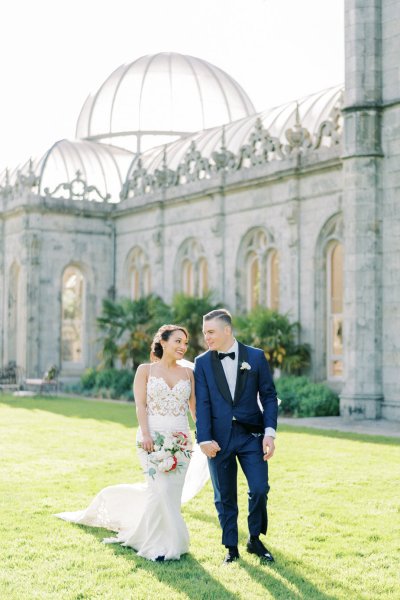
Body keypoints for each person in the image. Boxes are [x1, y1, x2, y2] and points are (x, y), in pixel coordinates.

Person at [55, 324, 208, 561]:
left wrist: (204, 432)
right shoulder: (145, 370)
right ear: (163, 342)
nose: (183, 347)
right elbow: (140, 406)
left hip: (181, 439)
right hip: (151, 437)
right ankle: (155, 544)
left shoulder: (189, 374)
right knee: (158, 490)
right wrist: (146, 434)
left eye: (185, 343)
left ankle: (169, 541)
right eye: (178, 341)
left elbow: (194, 408)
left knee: (170, 492)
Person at [194, 309, 278, 564]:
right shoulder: (202, 362)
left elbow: (269, 396)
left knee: (260, 489)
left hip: (252, 435)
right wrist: (204, 439)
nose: (206, 337)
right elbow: (203, 404)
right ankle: (231, 547)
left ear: (227, 330)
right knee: (225, 495)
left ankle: (254, 539)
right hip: (218, 440)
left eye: (210, 332)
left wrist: (270, 434)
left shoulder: (255, 356)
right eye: (204, 332)